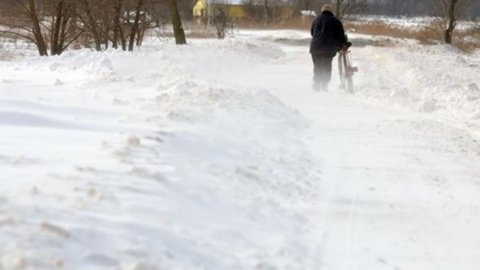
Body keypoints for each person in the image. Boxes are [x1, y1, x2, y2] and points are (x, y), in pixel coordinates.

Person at [309, 4, 348, 91]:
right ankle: (324, 85)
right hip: (328, 49)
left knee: (317, 66)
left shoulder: (316, 20)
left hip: (315, 48)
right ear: (331, 12)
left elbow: (312, 33)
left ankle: (316, 84)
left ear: (322, 11)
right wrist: (344, 43)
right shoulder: (335, 21)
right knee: (326, 65)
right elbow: (340, 36)